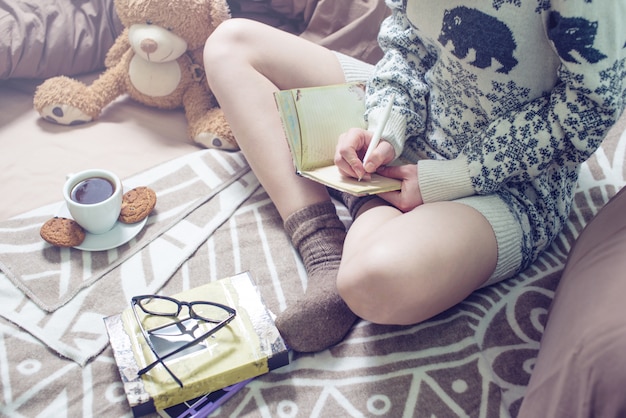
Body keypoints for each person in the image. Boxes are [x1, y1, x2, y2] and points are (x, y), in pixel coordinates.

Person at [203, 0, 625, 352]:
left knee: (372, 282)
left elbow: (588, 110)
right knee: (230, 44)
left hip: (511, 181)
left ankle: (362, 203)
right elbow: (406, 42)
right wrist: (385, 128)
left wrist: (452, 178)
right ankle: (325, 248)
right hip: (422, 110)